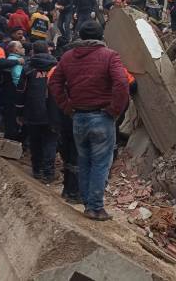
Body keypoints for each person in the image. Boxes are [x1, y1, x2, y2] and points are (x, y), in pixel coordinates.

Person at [49, 21, 129, 221]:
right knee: (101, 164)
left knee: (84, 161)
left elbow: (54, 82)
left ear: (80, 36)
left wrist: (67, 106)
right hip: (102, 117)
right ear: (101, 37)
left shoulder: (67, 57)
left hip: (79, 117)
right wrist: (115, 110)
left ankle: (88, 205)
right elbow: (121, 82)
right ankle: (96, 207)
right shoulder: (110, 56)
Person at [16, 41, 60, 183]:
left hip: (32, 112)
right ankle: (49, 174)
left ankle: (37, 170)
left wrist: (19, 112)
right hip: (53, 112)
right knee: (50, 142)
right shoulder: (57, 67)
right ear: (48, 51)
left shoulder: (28, 68)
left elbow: (21, 91)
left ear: (33, 52)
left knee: (35, 142)